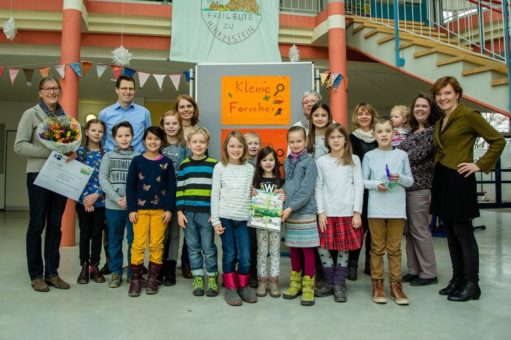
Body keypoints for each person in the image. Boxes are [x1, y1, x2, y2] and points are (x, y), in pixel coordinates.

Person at [430, 76, 505, 302]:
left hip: (459, 177)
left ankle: (473, 284)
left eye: (448, 93)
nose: (443, 98)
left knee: (463, 233)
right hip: (443, 177)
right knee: (451, 234)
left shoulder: (468, 115)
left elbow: (498, 140)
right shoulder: (442, 119)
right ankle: (458, 279)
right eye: (439, 94)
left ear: (457, 95)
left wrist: (479, 165)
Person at [14, 76, 72, 292]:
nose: (52, 92)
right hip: (38, 174)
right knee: (37, 224)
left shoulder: (66, 118)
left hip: (61, 174)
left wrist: (71, 152)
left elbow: (68, 146)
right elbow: (19, 146)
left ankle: (52, 273)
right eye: (47, 89)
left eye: (55, 88)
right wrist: (49, 152)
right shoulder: (31, 114)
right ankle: (36, 275)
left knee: (56, 224)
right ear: (40, 92)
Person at [362, 117, 414, 305]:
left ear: (394, 133)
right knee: (376, 249)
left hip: (396, 210)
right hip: (376, 209)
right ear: (374, 134)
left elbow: (410, 181)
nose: (384, 134)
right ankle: (377, 284)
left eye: (387, 131)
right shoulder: (369, 156)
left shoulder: (402, 156)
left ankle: (396, 285)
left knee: (394, 249)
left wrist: (399, 177)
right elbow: (362, 181)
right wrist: (377, 184)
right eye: (380, 131)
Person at [314, 123, 364, 303]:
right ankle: (330, 281)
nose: (336, 140)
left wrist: (357, 212)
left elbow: (359, 186)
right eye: (332, 137)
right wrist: (320, 212)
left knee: (344, 248)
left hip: (348, 212)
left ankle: (339, 284)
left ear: (345, 139)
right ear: (327, 140)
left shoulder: (354, 160)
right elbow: (318, 187)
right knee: (322, 247)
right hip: (328, 212)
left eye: (339, 137)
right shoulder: (321, 161)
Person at [126, 126, 176, 297]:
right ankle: (136, 280)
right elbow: (130, 187)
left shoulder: (167, 163)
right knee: (138, 245)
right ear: (144, 141)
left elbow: (171, 188)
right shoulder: (137, 161)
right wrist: (132, 209)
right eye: (149, 139)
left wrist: (169, 209)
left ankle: (153, 279)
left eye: (156, 139)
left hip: (159, 211)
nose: (152, 142)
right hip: (139, 211)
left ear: (162, 141)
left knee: (156, 245)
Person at [398, 94, 440, 286]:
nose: (420, 109)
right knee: (409, 231)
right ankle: (414, 270)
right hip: (404, 188)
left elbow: (414, 156)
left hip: (420, 188)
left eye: (424, 106)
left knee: (420, 230)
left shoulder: (432, 132)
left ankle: (429, 272)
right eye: (417, 106)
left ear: (431, 109)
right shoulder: (411, 132)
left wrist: (396, 157)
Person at [211, 131, 257, 306]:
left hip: (244, 219)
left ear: (244, 148)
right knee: (230, 254)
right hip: (225, 218)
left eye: (239, 146)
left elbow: (250, 192)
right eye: (232, 146)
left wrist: (254, 194)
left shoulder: (250, 169)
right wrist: (215, 220)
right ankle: (230, 287)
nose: (236, 150)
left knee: (245, 256)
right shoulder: (219, 167)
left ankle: (243, 285)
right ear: (226, 148)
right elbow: (215, 194)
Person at [176, 127, 219, 297]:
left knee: (208, 248)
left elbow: (218, 191)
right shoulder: (184, 165)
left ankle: (213, 278)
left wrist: (214, 213)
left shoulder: (214, 165)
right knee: (193, 248)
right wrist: (179, 212)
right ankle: (198, 279)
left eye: (202, 142)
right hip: (188, 214)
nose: (198, 145)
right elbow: (180, 190)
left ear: (207, 144)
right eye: (195, 142)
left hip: (207, 214)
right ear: (189, 144)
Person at [281, 126, 319, 306]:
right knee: (294, 249)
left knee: (307, 250)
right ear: (288, 142)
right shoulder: (286, 161)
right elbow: (288, 183)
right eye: (292, 141)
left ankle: (308, 286)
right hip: (289, 212)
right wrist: (280, 192)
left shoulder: (310, 163)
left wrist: (291, 207)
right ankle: (295, 284)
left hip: (304, 212)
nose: (295, 145)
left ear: (306, 142)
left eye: (299, 141)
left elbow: (306, 190)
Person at [99, 121, 139, 288]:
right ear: (114, 138)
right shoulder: (108, 156)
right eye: (120, 136)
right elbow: (103, 178)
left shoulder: (138, 157)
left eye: (127, 135)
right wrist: (116, 197)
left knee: (133, 240)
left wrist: (131, 198)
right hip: (113, 207)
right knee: (114, 240)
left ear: (132, 136)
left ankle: (132, 271)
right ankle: (116, 271)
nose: (124, 139)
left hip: (133, 208)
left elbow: (141, 181)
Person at [348, 103, 379, 280]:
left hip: (377, 189)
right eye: (360, 113)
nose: (364, 116)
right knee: (358, 228)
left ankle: (370, 264)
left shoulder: (379, 136)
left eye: (367, 113)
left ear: (372, 116)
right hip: (359, 189)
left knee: (374, 230)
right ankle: (353, 265)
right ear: (356, 117)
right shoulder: (351, 138)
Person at [75, 119, 107, 285]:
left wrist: (97, 195)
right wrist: (85, 200)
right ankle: (84, 266)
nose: (96, 133)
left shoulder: (107, 154)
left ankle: (95, 265)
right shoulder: (79, 153)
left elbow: (108, 179)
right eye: (93, 130)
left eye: (100, 131)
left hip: (101, 202)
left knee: (97, 234)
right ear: (86, 132)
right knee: (84, 233)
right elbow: (75, 178)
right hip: (82, 203)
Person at [159, 110, 188, 286]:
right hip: (160, 195)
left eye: (174, 123)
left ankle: (170, 267)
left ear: (179, 125)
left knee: (175, 233)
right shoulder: (158, 145)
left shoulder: (185, 147)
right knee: (161, 231)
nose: (171, 127)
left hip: (179, 194)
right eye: (167, 123)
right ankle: (158, 264)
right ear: (163, 125)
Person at [252, 146, 284, 298]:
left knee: (275, 251)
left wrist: (283, 195)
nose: (268, 162)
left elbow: (284, 199)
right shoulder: (256, 181)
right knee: (262, 251)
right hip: (260, 222)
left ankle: (274, 281)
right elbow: (251, 199)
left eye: (271, 159)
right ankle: (262, 280)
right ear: (259, 163)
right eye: (264, 160)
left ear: (276, 162)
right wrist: (252, 194)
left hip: (275, 222)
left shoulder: (280, 181)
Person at [174, 94, 200, 279]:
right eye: (182, 107)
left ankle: (187, 261)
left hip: (192, 182)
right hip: (172, 182)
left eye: (189, 106)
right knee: (172, 227)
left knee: (190, 225)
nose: (185, 109)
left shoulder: (199, 130)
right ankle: (167, 264)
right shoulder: (171, 129)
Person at [99, 74, 151, 153]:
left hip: (137, 159)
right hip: (112, 160)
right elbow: (100, 139)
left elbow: (149, 138)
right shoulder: (104, 114)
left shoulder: (144, 113)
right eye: (124, 88)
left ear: (134, 91)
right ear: (117, 90)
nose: (128, 92)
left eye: (131, 89)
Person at [243, 131, 262, 287]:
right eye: (250, 143)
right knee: (241, 244)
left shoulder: (263, 162)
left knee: (254, 244)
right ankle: (240, 272)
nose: (253, 146)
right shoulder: (240, 163)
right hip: (241, 208)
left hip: (258, 210)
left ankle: (253, 274)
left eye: (256, 143)